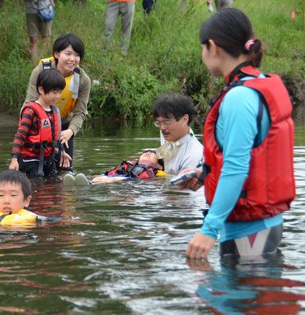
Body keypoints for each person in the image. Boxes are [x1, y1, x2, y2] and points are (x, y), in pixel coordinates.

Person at [180, 8, 295, 259]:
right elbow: (249, 158)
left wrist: (208, 230)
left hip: (251, 232)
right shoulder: (258, 84)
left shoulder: (239, 97)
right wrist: (205, 176)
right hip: (259, 227)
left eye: (202, 48)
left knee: (235, 297)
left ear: (214, 47)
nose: (203, 55)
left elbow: (236, 168)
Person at [24, 33, 91, 170]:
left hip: (64, 128)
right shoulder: (41, 71)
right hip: (39, 126)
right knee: (37, 172)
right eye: (68, 54)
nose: (72, 59)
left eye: (77, 55)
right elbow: (29, 103)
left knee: (65, 173)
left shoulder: (83, 80)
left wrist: (70, 131)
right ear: (56, 53)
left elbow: (80, 112)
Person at [10, 69, 70, 178]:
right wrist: (14, 159)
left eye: (60, 92)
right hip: (31, 161)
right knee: (38, 187)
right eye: (54, 92)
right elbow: (20, 136)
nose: (57, 96)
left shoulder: (54, 111)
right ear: (41, 89)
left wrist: (61, 152)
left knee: (53, 187)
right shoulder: (31, 111)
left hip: (48, 159)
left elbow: (55, 136)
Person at [152, 93, 204, 175]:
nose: (161, 127)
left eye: (166, 122)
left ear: (184, 119)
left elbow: (184, 187)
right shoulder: (170, 144)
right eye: (158, 122)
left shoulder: (193, 155)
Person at [88, 150, 167, 184]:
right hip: (120, 176)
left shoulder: (157, 171)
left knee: (112, 179)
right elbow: (112, 172)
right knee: (98, 178)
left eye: (152, 154)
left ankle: (94, 184)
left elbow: (168, 177)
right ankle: (90, 183)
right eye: (146, 152)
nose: (148, 153)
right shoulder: (131, 165)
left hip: (132, 179)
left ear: (160, 166)